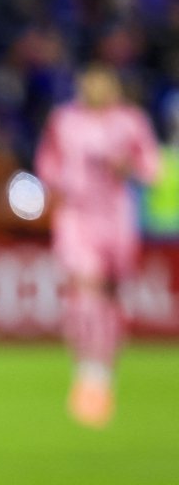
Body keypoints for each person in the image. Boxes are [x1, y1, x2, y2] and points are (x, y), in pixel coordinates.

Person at [35, 63, 159, 428]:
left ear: (114, 87)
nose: (96, 89)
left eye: (103, 83)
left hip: (117, 214)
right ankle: (86, 369)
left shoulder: (131, 121)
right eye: (89, 82)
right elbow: (47, 165)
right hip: (76, 214)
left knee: (110, 295)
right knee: (84, 285)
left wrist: (130, 168)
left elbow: (152, 167)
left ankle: (103, 370)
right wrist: (62, 183)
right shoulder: (63, 120)